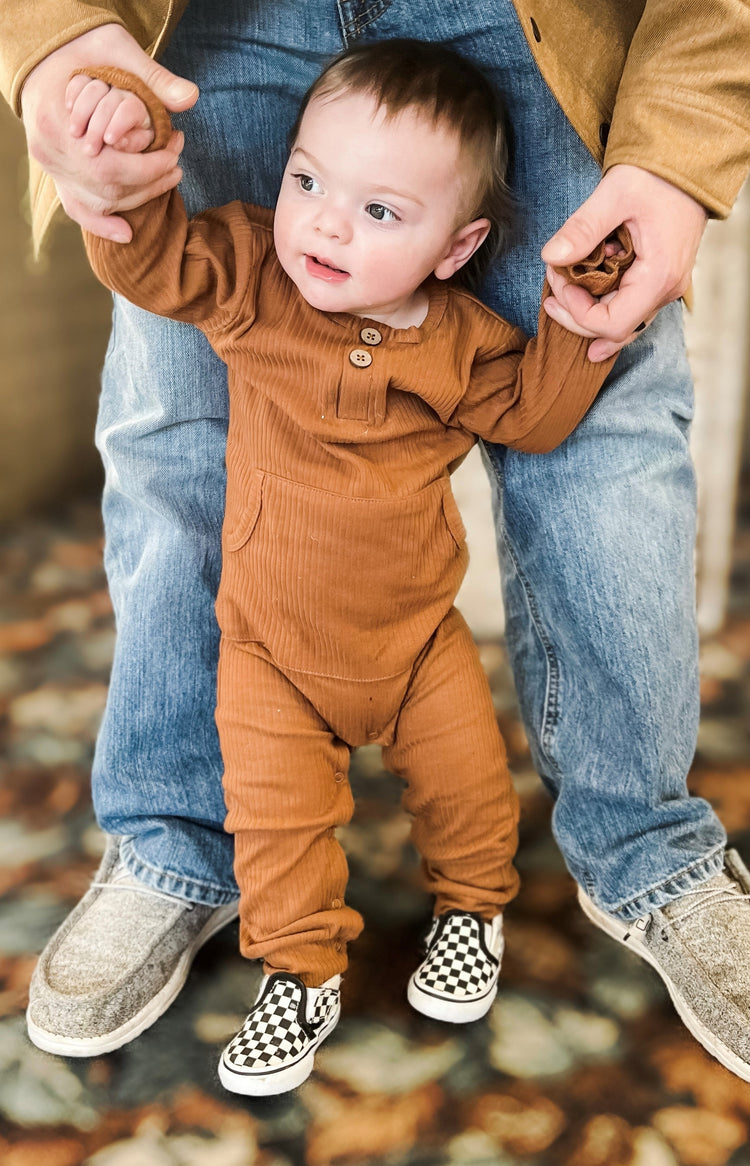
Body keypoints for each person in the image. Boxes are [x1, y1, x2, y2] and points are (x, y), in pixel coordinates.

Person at [5, 0, 750, 1082]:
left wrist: (591, 324)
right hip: (264, 650)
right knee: (278, 811)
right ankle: (280, 948)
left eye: (378, 213)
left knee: (469, 790)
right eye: (304, 184)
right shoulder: (253, 270)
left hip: (415, 647)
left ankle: (560, 878)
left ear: (459, 249)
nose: (323, 227)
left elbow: (538, 410)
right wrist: (111, 167)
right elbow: (162, 271)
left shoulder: (464, 339)